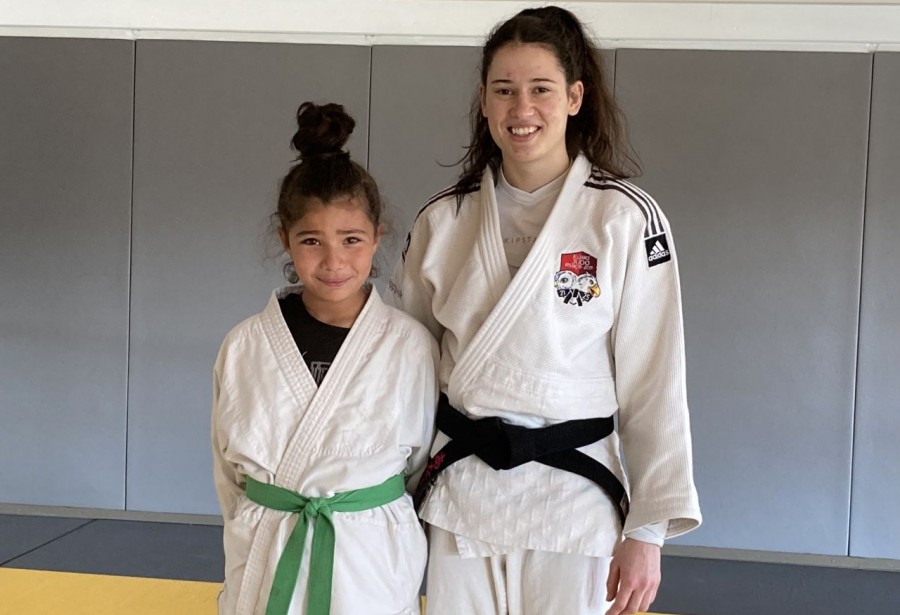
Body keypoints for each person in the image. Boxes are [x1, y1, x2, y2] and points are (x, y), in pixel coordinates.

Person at [387, 6, 701, 615]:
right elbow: (408, 370)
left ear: (575, 97)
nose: (521, 108)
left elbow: (656, 380)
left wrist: (647, 530)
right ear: (483, 100)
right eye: (504, 90)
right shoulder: (443, 220)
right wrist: (389, 490)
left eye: (540, 90)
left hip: (574, 498)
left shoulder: (624, 218)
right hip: (463, 493)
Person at [212, 102, 438, 615]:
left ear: (378, 237)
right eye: (311, 241)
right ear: (285, 242)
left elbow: (419, 466)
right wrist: (258, 521)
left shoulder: (410, 345)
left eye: (352, 240)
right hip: (269, 546)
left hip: (370, 556)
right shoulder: (245, 344)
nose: (334, 261)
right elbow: (229, 476)